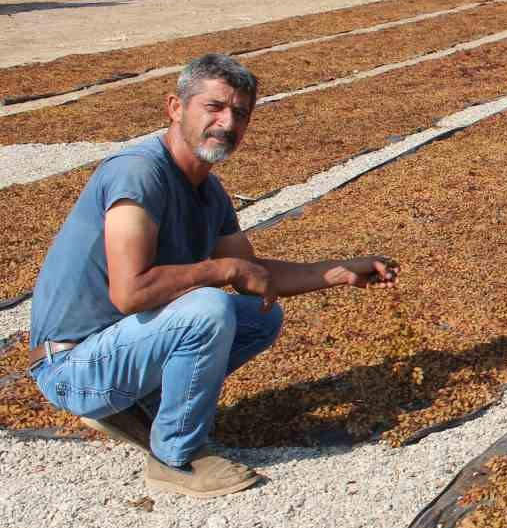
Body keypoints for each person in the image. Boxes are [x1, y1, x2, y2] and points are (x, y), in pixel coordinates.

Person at [28, 53, 399, 499]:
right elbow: (130, 292)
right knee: (208, 308)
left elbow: (253, 275)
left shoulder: (209, 191)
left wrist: (338, 272)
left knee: (259, 317)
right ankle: (175, 457)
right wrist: (221, 269)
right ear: (175, 107)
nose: (227, 123)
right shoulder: (139, 172)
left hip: (121, 348)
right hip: (72, 365)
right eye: (214, 107)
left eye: (240, 113)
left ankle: (142, 407)